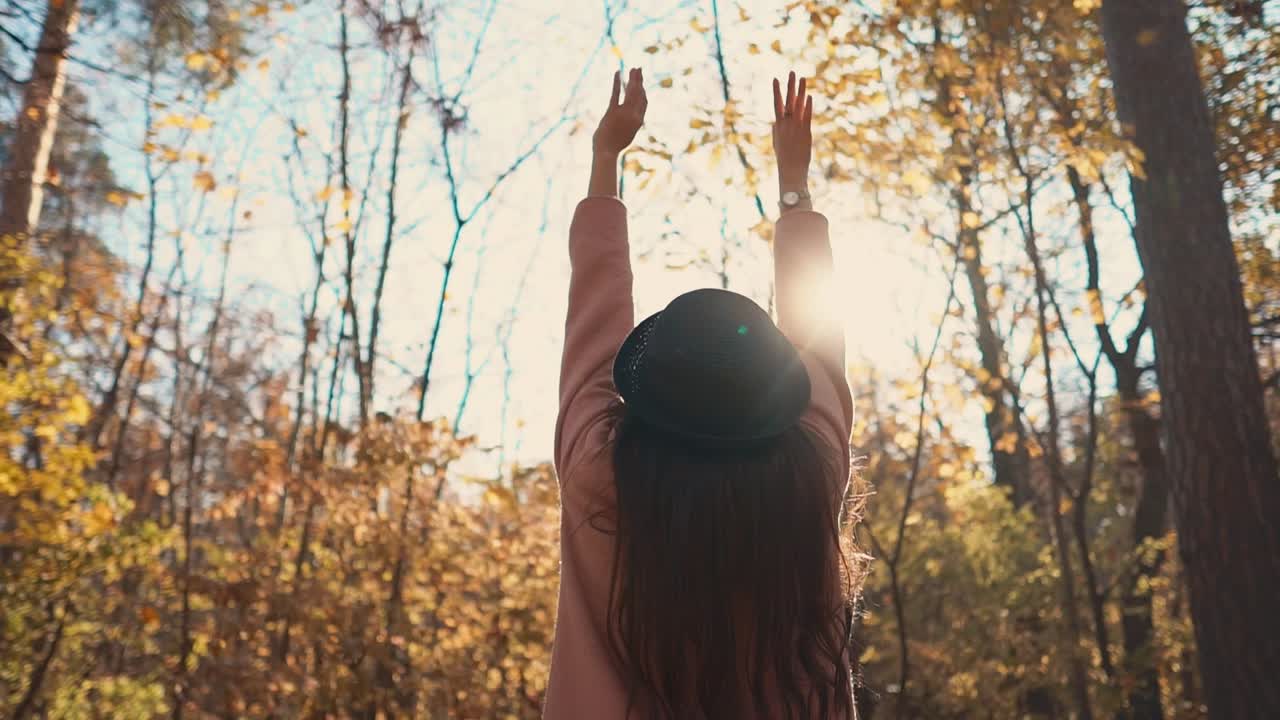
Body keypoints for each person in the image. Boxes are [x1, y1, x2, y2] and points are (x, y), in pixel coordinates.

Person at [545, 67, 856, 719]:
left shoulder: (600, 476)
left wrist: (607, 159)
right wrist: (793, 185)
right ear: (776, 395)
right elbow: (820, 335)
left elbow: (592, 319)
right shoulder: (811, 473)